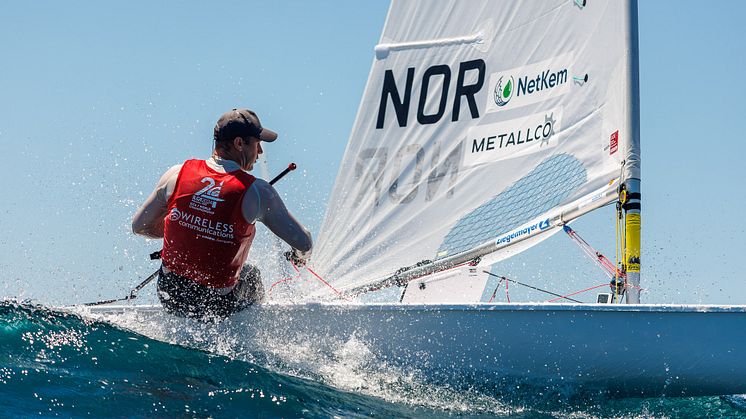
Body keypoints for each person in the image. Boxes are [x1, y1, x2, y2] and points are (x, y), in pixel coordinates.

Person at [132, 108, 312, 319]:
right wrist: (300, 258)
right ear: (239, 144)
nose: (260, 152)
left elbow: (140, 226)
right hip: (217, 305)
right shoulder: (258, 191)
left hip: (170, 295)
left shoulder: (177, 173)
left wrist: (189, 228)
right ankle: (254, 332)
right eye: (257, 143)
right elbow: (304, 242)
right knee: (252, 276)